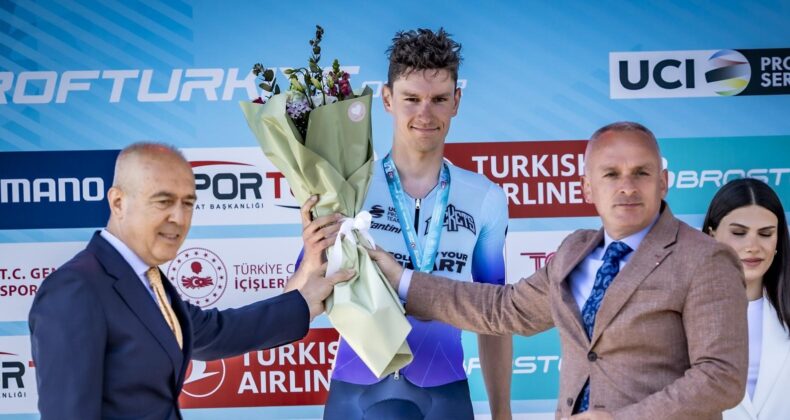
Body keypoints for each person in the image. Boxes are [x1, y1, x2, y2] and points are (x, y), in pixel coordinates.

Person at [368, 122, 749, 420]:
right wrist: (401, 280)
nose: (627, 187)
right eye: (611, 174)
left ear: (663, 182)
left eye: (641, 173)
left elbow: (721, 377)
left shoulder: (705, 259)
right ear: (587, 188)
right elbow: (503, 309)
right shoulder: (575, 251)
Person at [28, 143, 353, 420]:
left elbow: (215, 333)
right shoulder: (77, 289)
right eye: (163, 201)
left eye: (188, 203)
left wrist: (304, 295)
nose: (179, 218)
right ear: (118, 203)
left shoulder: (145, 280)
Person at [298, 28, 513, 419]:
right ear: (387, 99)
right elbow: (299, 299)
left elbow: (495, 316)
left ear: (456, 101)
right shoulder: (347, 189)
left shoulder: (485, 198)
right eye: (411, 99)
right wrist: (313, 257)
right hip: (354, 396)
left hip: (445, 394)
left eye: (439, 99)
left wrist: (502, 413)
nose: (425, 114)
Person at [702, 178, 790, 420]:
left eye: (765, 234)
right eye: (739, 233)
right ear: (711, 235)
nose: (752, 246)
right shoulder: (682, 311)